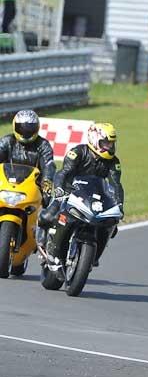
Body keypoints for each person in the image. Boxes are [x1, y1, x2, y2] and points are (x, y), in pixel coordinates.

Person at [39, 122, 123, 271]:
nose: (109, 147)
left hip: (94, 197)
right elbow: (63, 173)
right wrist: (59, 191)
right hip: (69, 192)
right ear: (94, 139)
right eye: (105, 143)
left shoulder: (113, 162)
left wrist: (119, 205)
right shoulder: (78, 152)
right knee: (49, 215)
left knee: (112, 223)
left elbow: (116, 184)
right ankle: (47, 244)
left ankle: (94, 256)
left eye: (111, 144)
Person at [0, 110, 55, 200]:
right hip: (6, 186)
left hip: (32, 189)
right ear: (14, 126)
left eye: (30, 129)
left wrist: (46, 190)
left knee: (51, 212)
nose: (25, 132)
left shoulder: (43, 145)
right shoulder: (6, 142)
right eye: (21, 128)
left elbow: (49, 167)